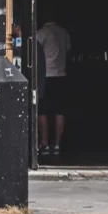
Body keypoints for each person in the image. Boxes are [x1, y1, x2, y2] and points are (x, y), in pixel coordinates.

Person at [36, 16, 71, 157]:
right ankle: (57, 144)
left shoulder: (42, 33)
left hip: (46, 76)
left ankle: (44, 144)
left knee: (43, 111)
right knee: (59, 110)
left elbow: (34, 52)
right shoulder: (64, 33)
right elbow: (68, 52)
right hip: (61, 74)